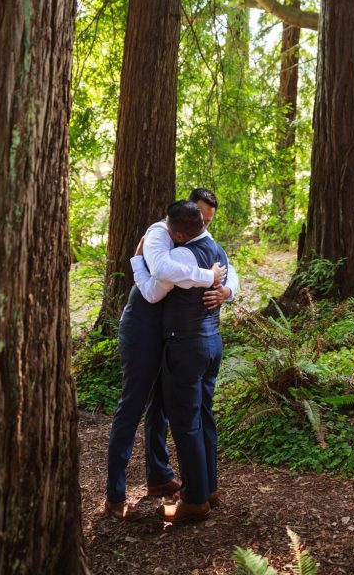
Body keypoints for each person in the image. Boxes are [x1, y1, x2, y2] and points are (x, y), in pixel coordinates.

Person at [105, 194, 237, 519]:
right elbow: (153, 288)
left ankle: (160, 477)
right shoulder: (157, 237)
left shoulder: (198, 240)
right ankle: (114, 494)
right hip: (142, 329)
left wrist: (226, 289)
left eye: (209, 221)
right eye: (203, 220)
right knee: (133, 405)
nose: (206, 225)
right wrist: (208, 277)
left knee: (163, 406)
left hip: (171, 335)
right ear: (187, 217)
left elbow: (229, 268)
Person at [155, 200, 230, 524]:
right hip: (212, 343)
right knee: (203, 415)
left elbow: (159, 277)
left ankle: (194, 499)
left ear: (181, 234)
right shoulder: (217, 249)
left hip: (186, 345)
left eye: (170, 231)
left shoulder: (182, 255)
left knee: (186, 423)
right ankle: (209, 488)